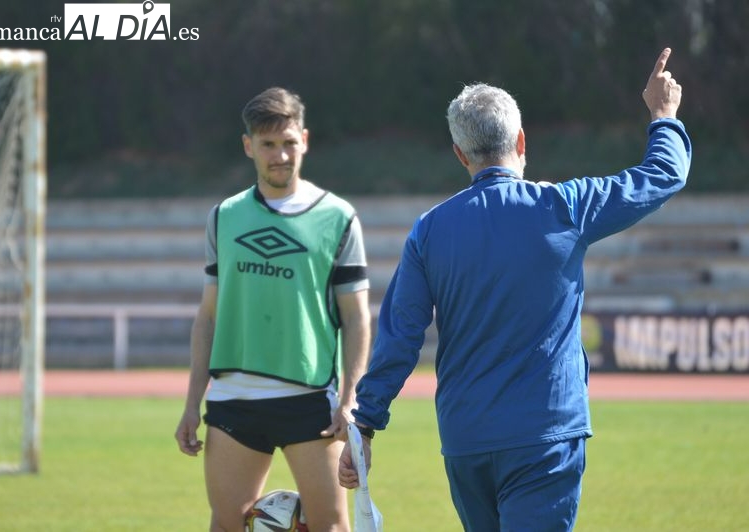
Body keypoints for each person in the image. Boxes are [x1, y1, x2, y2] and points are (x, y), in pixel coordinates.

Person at [338, 48, 691, 531]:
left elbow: (400, 337)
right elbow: (661, 175)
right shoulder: (565, 206)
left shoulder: (429, 230)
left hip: (466, 440)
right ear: (521, 141)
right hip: (544, 434)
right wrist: (663, 116)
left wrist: (364, 426)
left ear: (460, 154)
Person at [176, 86, 371, 532]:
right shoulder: (224, 216)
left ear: (305, 139)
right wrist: (192, 403)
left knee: (333, 526)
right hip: (233, 401)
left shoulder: (338, 217)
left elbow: (357, 318)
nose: (280, 155)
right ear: (249, 146)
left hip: (308, 400)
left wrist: (350, 399)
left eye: (288, 142)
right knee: (227, 524)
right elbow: (208, 315)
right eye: (268, 144)